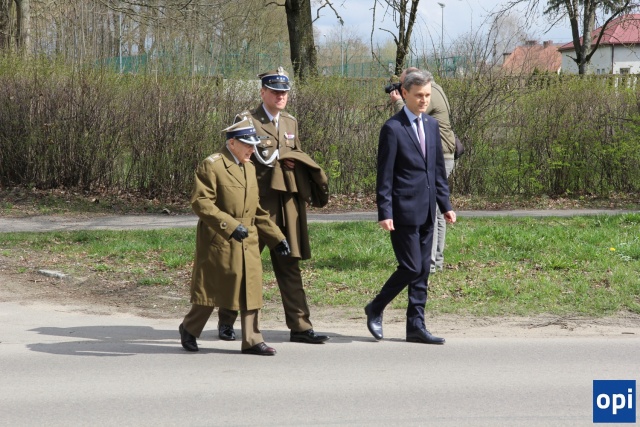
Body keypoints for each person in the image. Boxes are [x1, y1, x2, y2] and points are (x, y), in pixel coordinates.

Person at [217, 67, 330, 344]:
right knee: (243, 264)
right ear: (263, 92)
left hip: (285, 204)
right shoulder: (247, 120)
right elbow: (235, 158)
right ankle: (227, 321)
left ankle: (300, 327)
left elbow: (296, 153)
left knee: (289, 264)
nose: (281, 96)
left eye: (285, 92)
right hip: (255, 205)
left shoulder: (290, 122)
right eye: (276, 92)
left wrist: (294, 161)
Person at [178, 118, 292, 356]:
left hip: (248, 239)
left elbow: (256, 210)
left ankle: (252, 340)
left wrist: (276, 237)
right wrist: (229, 225)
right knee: (212, 291)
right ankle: (189, 328)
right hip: (219, 238)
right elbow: (201, 202)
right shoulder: (212, 165)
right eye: (248, 145)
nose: (253, 150)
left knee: (251, 289)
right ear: (232, 143)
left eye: (254, 145)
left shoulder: (249, 167)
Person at [366, 69, 456, 344]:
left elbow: (437, 171)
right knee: (412, 266)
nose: (424, 100)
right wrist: (385, 211)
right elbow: (385, 175)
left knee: (423, 269)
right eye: (418, 95)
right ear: (404, 93)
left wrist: (445, 205)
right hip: (403, 211)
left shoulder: (431, 125)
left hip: (428, 210)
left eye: (427, 95)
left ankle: (416, 325)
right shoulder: (393, 128)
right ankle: (376, 307)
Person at [390, 68, 456, 274]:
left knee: (432, 212)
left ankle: (430, 262)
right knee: (436, 212)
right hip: (441, 153)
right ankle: (432, 261)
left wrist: (398, 102)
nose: (423, 98)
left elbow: (412, 119)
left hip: (438, 155)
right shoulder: (436, 89)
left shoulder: (429, 95)